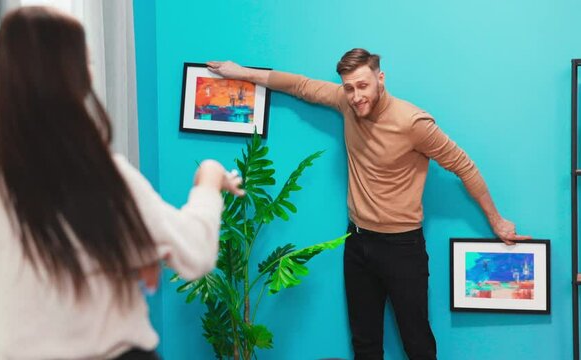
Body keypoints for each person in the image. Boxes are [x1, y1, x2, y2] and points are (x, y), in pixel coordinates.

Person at [207, 49, 530, 360]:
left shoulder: (413, 122)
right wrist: (241, 72)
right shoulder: (347, 103)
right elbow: (299, 85)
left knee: (417, 345)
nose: (356, 95)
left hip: (403, 247)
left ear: (380, 79)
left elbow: (464, 166)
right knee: (365, 346)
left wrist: (497, 221)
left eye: (363, 85)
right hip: (358, 243)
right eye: (349, 87)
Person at [0, 7, 243, 360]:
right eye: (88, 63)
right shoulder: (96, 173)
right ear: (71, 76)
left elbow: (55, 254)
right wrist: (208, 181)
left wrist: (136, 250)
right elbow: (195, 254)